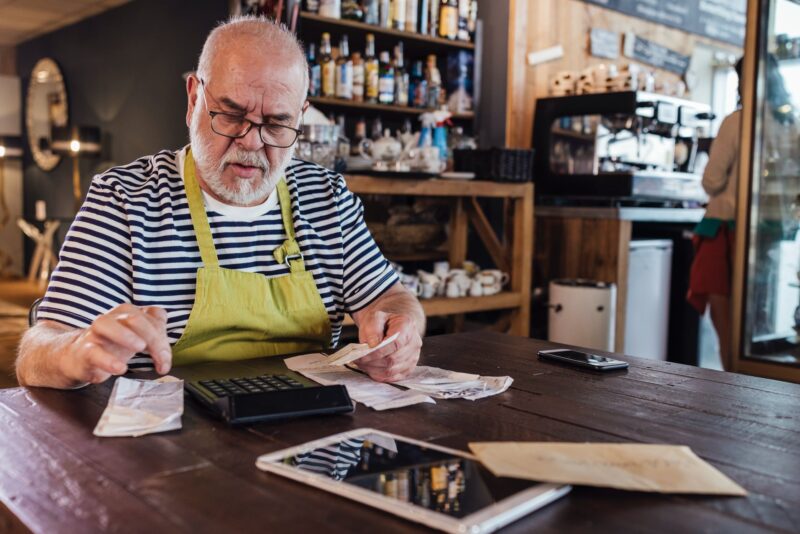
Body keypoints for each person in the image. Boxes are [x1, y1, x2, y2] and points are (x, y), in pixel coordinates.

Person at [15, 16, 424, 389]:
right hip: (173, 449)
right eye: (230, 115)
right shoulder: (124, 199)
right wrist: (77, 351)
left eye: (277, 123)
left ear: (301, 116)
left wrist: (401, 330)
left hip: (307, 433)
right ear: (194, 98)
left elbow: (392, 299)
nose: (250, 141)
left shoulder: (327, 198)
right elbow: (37, 352)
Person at [686, 58, 744, 370]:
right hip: (765, 234)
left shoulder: (737, 121)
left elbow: (711, 181)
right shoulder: (786, 122)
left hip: (724, 229)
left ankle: (732, 389)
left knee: (728, 329)